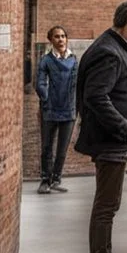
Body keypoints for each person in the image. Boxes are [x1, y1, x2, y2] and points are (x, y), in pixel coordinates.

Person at [74, 0, 127, 253]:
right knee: (107, 205)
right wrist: (125, 127)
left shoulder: (114, 47)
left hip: (112, 140)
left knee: (106, 204)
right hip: (110, 141)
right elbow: (96, 97)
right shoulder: (110, 52)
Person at [35, 25, 78, 195]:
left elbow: (76, 85)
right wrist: (47, 100)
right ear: (50, 40)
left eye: (63, 36)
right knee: (46, 147)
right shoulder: (45, 60)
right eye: (56, 36)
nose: (60, 39)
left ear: (66, 39)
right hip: (50, 111)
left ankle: (56, 180)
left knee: (62, 148)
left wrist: (76, 106)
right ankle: (45, 180)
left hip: (69, 111)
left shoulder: (74, 60)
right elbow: (40, 84)